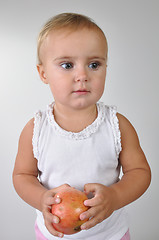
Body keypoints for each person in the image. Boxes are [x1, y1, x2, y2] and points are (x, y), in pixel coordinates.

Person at [12, 13, 151, 240]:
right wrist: (40, 199)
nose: (82, 75)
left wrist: (115, 197)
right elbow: (22, 175)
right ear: (43, 73)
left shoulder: (117, 125)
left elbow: (140, 172)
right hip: (53, 233)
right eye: (67, 65)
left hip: (110, 234)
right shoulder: (35, 129)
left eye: (94, 64)